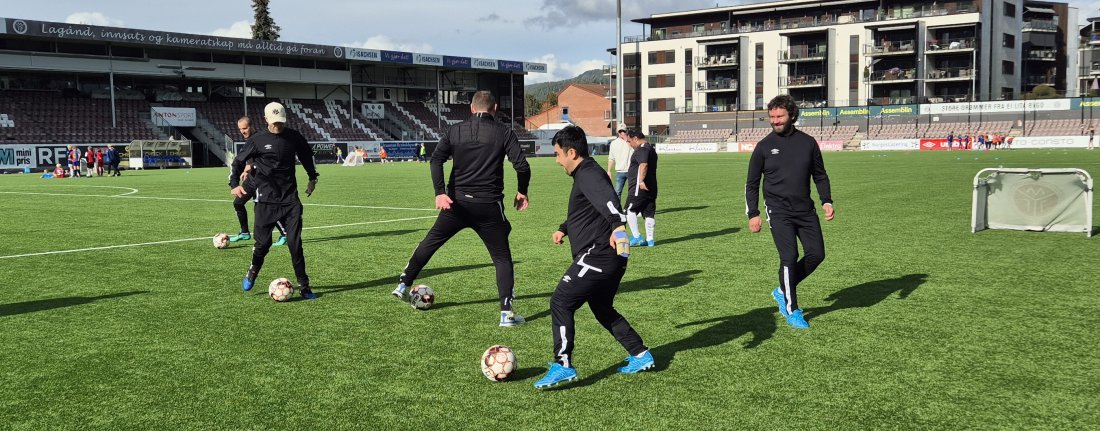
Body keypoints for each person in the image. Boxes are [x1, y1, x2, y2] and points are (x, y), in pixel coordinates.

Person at [391, 91, 531, 326]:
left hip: (455, 203)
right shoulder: (504, 132)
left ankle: (403, 284)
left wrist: (440, 193)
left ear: (470, 108)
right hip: (488, 205)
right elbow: (522, 166)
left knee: (430, 242)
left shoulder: (455, 130)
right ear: (494, 108)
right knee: (501, 258)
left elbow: (436, 160)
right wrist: (522, 191)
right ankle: (506, 314)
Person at [533, 125, 652, 390]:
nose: (557, 160)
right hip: (605, 256)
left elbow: (610, 201)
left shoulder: (588, 173)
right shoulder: (587, 174)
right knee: (602, 308)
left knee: (561, 301)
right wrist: (564, 228)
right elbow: (590, 208)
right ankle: (640, 354)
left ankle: (562, 365)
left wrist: (618, 226)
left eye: (557, 154)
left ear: (571, 152)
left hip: (599, 255)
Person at [745, 94, 835, 329]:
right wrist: (752, 213)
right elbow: (752, 183)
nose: (775, 121)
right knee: (789, 257)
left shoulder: (808, 142)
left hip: (805, 210)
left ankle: (783, 288)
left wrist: (827, 200)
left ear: (792, 115)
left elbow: (820, 174)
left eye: (780, 116)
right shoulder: (764, 147)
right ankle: (791, 308)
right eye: (772, 117)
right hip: (778, 211)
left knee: (817, 254)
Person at [230, 102, 320, 299]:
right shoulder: (257, 140)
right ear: (266, 120)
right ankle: (253, 270)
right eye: (274, 122)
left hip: (290, 201)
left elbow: (306, 156)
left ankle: (305, 286)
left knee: (295, 244)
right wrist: (234, 184)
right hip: (266, 201)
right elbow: (237, 161)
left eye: (280, 122)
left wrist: (312, 178)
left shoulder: (294, 137)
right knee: (263, 244)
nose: (277, 126)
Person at [229, 116, 288, 246]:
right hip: (252, 179)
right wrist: (246, 170)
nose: (242, 131)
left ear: (251, 126)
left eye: (244, 128)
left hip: (262, 180)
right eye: (240, 129)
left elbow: (269, 157)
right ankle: (244, 233)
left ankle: (285, 234)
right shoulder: (249, 140)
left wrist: (251, 166)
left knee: (263, 208)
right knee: (238, 203)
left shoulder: (261, 138)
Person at [624, 129, 658, 247]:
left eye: (629, 141)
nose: (629, 144)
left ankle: (637, 236)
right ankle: (650, 240)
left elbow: (644, 164)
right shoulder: (651, 149)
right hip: (652, 186)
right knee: (649, 212)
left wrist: (641, 181)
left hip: (640, 187)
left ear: (635, 139)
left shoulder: (642, 149)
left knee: (629, 210)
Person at [605, 125, 633, 201]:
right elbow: (611, 158)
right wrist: (609, 171)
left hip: (631, 171)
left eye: (623, 131)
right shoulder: (614, 143)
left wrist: (627, 141)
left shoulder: (631, 141)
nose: (622, 133)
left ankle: (634, 210)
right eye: (620, 131)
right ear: (618, 132)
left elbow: (635, 152)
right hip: (620, 172)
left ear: (626, 131)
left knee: (633, 192)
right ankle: (618, 210)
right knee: (617, 192)